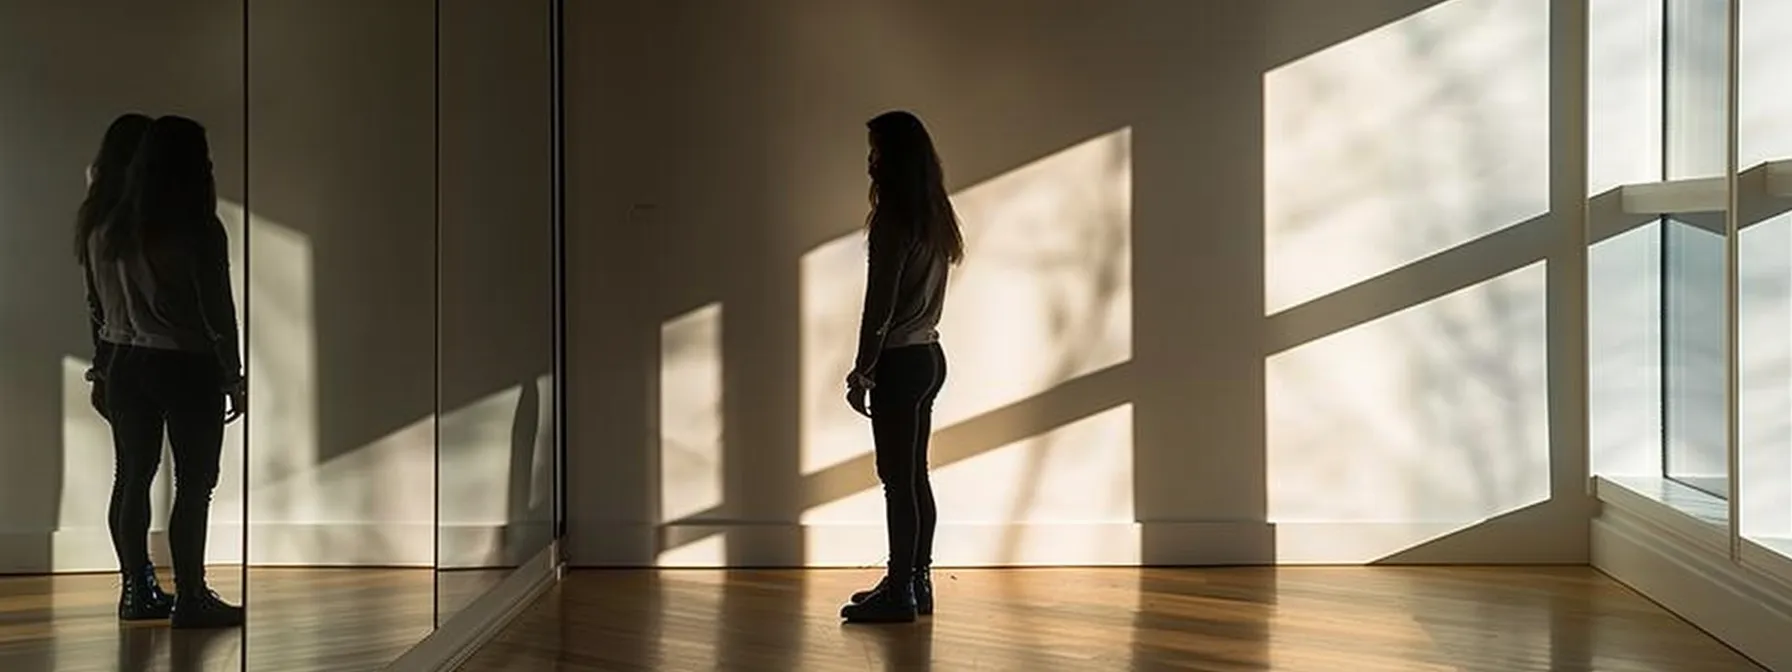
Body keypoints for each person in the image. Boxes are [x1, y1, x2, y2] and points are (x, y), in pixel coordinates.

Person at [83, 115, 247, 629]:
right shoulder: (196, 225)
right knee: (195, 483)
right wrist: (233, 373)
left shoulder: (104, 227)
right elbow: (216, 309)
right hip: (185, 361)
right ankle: (192, 596)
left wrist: (102, 368)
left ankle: (136, 591)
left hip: (124, 361)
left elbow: (95, 308)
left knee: (131, 477)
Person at [839, 110, 964, 624]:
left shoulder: (893, 217)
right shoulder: (936, 214)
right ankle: (915, 582)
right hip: (930, 356)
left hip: (899, 361)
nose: (870, 160)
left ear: (894, 157)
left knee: (897, 479)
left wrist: (862, 370)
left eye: (876, 150)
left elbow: (880, 305)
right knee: (915, 476)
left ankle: (900, 593)